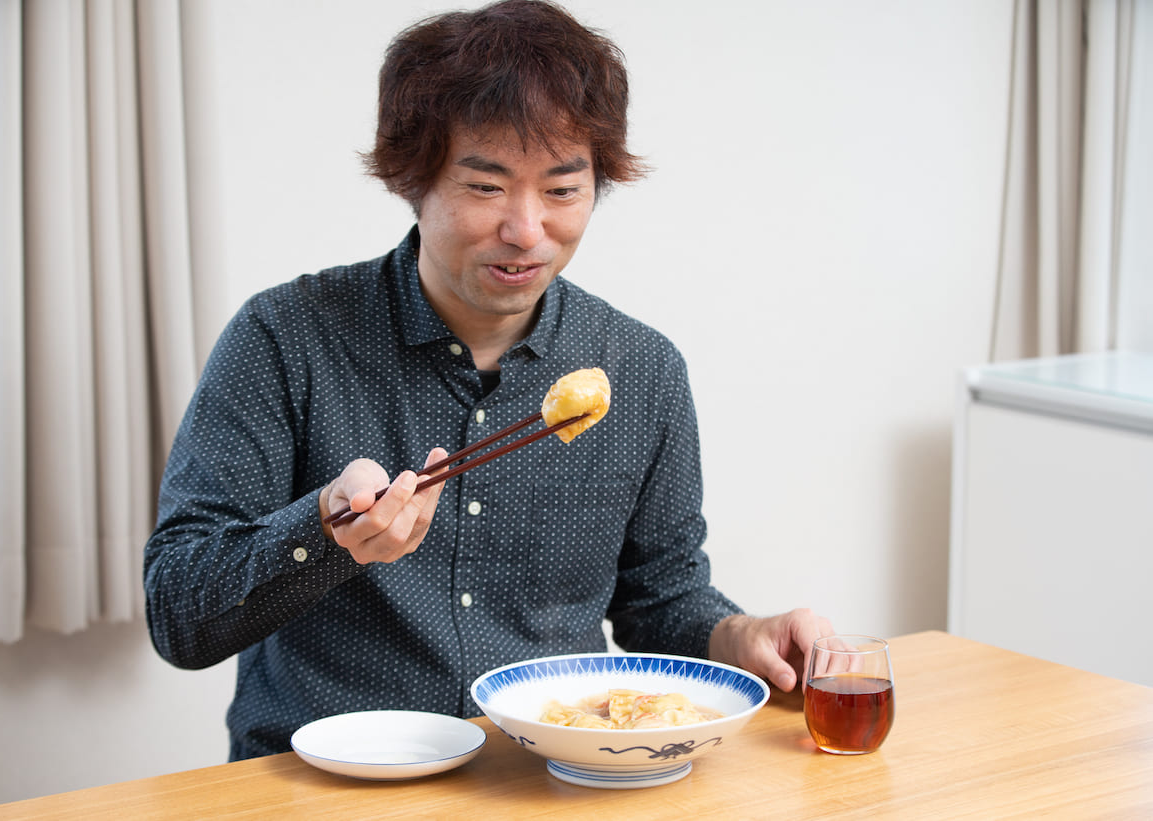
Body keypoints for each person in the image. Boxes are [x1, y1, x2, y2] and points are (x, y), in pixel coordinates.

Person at [143, 0, 834, 761]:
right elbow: (177, 614)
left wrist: (740, 634)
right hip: (326, 783)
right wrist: (326, 532)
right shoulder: (286, 337)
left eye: (562, 190)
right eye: (486, 186)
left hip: (546, 780)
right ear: (412, 179)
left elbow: (661, 599)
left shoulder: (641, 369)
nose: (527, 230)